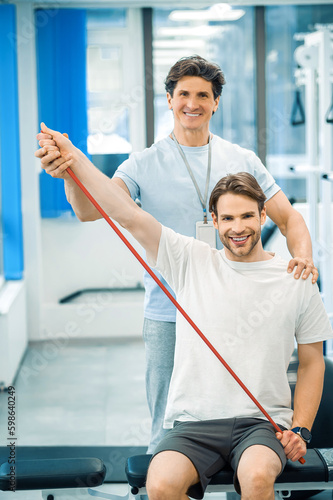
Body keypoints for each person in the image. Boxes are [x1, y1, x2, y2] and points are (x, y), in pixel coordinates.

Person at [35, 55, 319, 453]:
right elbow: (88, 210)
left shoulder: (242, 160)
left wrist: (302, 260)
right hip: (170, 313)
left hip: (238, 308)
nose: (192, 103)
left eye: (203, 95)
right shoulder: (144, 163)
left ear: (216, 102)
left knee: (243, 420)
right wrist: (68, 171)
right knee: (167, 427)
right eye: (183, 93)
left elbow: (290, 219)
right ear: (169, 99)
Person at [36, 148, 332, 499]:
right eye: (228, 218)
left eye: (247, 216)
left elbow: (313, 361)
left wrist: (301, 428)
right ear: (214, 219)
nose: (238, 228)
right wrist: (74, 159)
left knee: (256, 478)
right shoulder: (190, 259)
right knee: (160, 484)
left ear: (264, 215)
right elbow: (125, 212)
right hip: (193, 424)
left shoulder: (295, 279)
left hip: (261, 425)